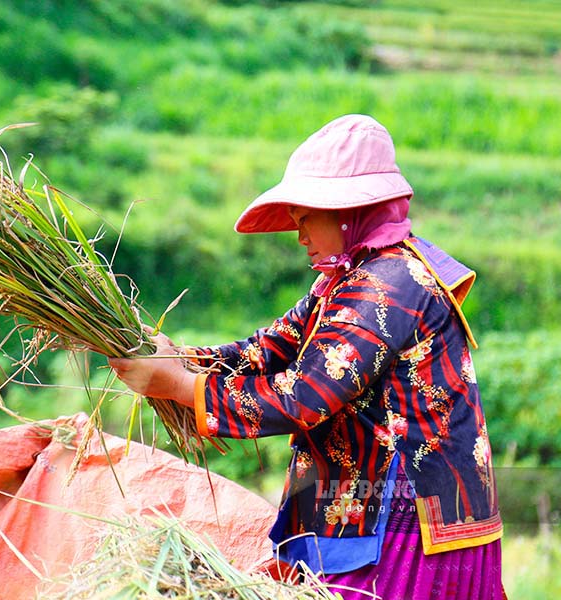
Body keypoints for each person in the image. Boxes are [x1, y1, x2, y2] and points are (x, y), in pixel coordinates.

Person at [108, 114, 505, 599]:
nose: (299, 235)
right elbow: (265, 350)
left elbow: (305, 396)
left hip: (410, 523)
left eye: (305, 218)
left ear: (347, 212)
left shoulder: (390, 285)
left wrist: (175, 384)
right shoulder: (345, 279)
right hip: (359, 498)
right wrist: (177, 357)